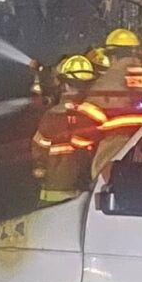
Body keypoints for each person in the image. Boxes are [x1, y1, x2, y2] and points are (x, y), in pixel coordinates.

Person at [31, 54, 99, 202]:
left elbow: (38, 151)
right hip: (86, 196)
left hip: (53, 193)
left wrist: (41, 169)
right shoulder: (93, 114)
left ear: (65, 85)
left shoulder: (51, 116)